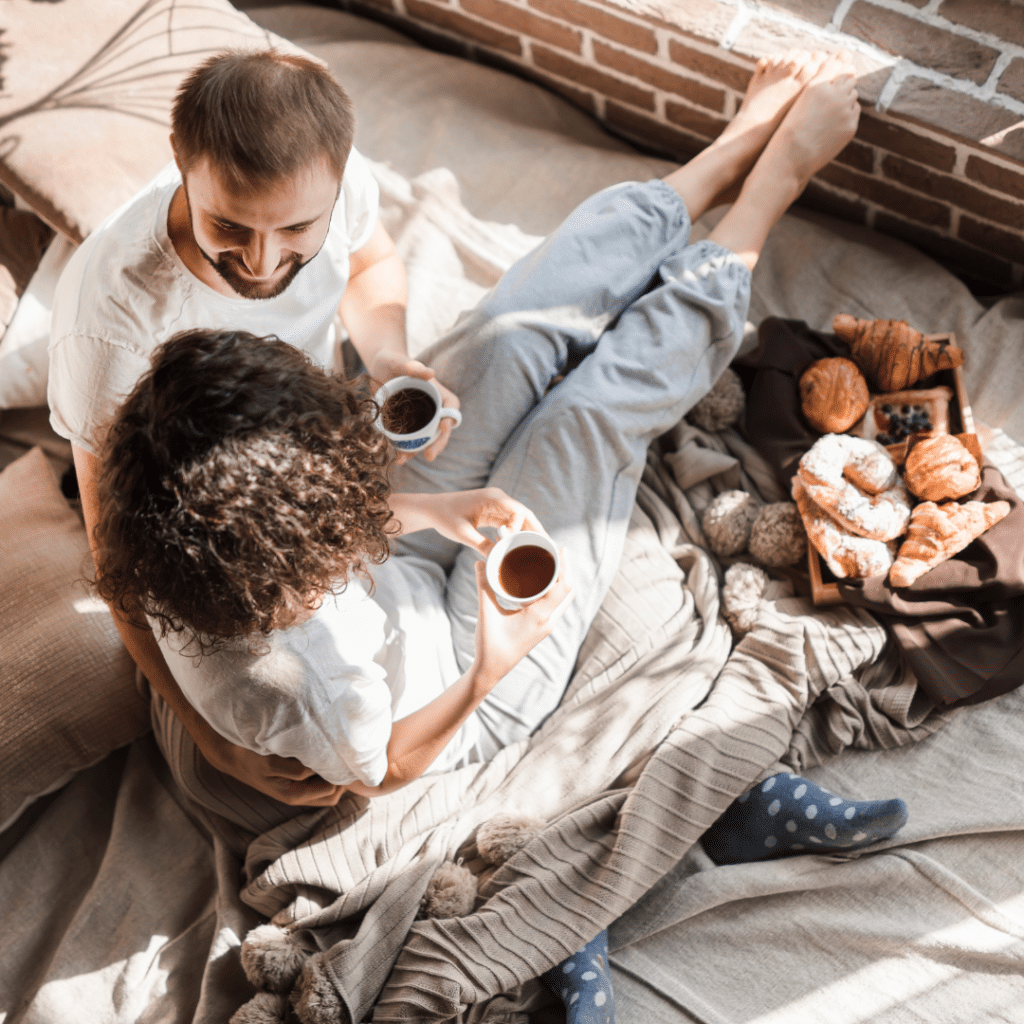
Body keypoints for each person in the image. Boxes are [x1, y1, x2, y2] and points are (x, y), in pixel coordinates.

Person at [94, 50, 912, 1024]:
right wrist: (492, 665)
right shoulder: (301, 684)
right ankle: (766, 194)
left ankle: (721, 157)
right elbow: (393, 766)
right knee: (588, 420)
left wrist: (426, 509)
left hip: (371, 570)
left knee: (508, 337)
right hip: (452, 682)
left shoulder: (182, 496)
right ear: (295, 564)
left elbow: (264, 537)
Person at [47, 48, 458, 805]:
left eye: (298, 227)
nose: (265, 264)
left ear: (336, 175)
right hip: (213, 510)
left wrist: (389, 355)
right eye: (229, 226)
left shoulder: (337, 181)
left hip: (310, 433)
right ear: (180, 162)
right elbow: (119, 561)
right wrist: (209, 741)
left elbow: (370, 267)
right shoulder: (109, 335)